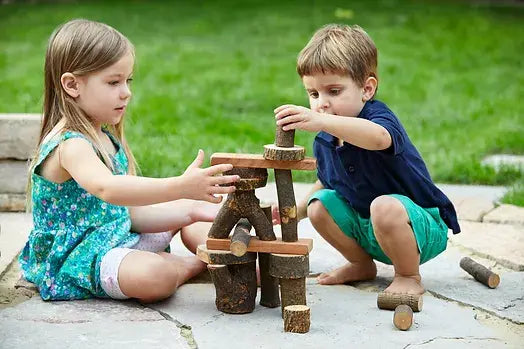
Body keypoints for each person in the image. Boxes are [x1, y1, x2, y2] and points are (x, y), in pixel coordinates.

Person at [19, 19, 239, 303]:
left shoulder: (106, 139)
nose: (126, 92)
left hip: (119, 237)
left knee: (194, 216)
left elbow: (128, 214)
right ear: (72, 85)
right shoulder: (70, 144)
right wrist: (180, 187)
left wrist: (191, 210)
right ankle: (193, 265)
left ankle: (235, 258)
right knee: (154, 276)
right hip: (79, 258)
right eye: (113, 82)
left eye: (127, 80)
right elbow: (108, 188)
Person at [273, 24, 460, 295]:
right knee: (319, 205)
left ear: (367, 89)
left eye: (333, 91)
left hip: (419, 228)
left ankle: (408, 275)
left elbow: (380, 139)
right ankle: (361, 264)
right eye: (314, 94)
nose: (321, 103)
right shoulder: (326, 139)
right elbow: (327, 182)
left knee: (383, 206)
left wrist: (322, 120)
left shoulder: (377, 118)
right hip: (369, 230)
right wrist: (295, 213)